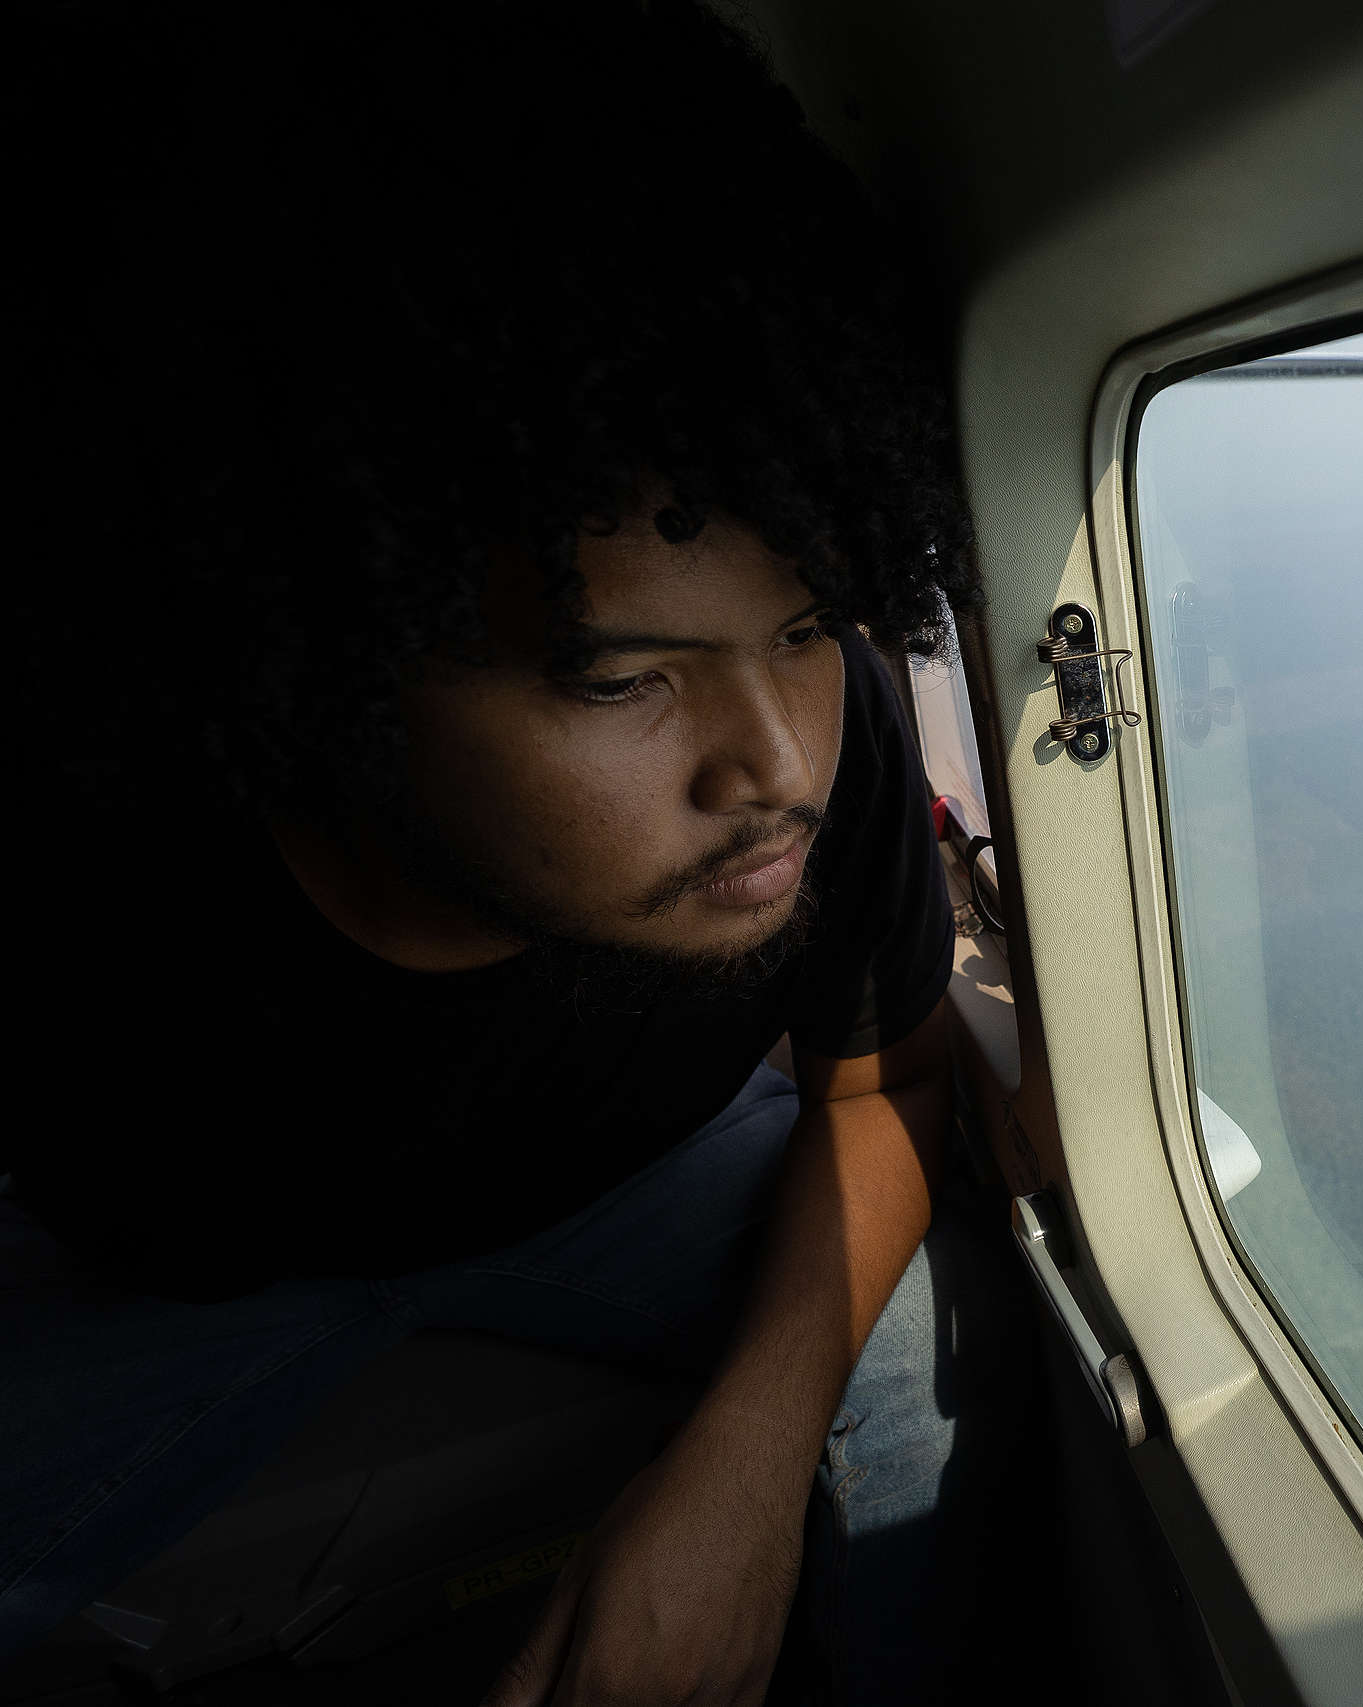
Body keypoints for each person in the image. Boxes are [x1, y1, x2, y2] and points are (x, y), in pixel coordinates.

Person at [3, 2, 1013, 1699]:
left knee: (936, 1373)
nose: (774, 766)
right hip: (172, 1277)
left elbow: (883, 1085)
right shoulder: (82, 853)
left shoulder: (822, 750)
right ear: (327, 659)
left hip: (645, 1197)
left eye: (812, 625)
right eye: (625, 678)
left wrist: (747, 1476)